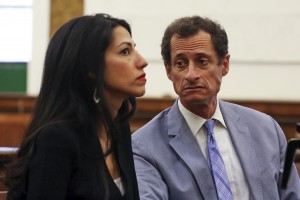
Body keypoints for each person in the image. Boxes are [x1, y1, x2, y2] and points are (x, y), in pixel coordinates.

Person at [132, 15, 300, 200]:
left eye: (202, 61)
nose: (191, 74)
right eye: (181, 63)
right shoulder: (144, 146)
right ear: (169, 71)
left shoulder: (266, 130)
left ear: (224, 65)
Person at [5, 13, 148, 200]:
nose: (142, 61)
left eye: (134, 50)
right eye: (125, 52)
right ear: (91, 69)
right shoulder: (56, 139)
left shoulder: (119, 131)